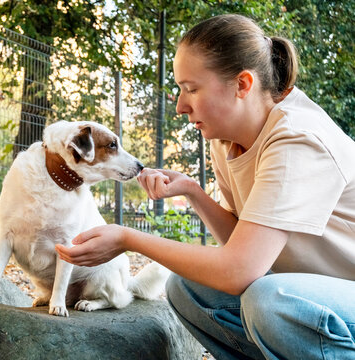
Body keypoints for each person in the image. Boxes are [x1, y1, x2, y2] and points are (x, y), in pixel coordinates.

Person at [55, 14, 355, 360]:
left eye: (192, 88)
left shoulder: (297, 140)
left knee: (272, 300)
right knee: (186, 288)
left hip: (341, 298)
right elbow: (243, 247)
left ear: (242, 84)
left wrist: (127, 238)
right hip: (321, 295)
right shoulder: (227, 139)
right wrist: (193, 192)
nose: (182, 106)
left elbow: (240, 270)